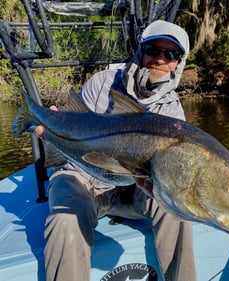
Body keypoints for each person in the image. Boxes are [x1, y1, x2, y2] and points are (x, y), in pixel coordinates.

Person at [41, 20, 196, 281]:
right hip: (85, 178)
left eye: (170, 54)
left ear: (179, 63)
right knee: (65, 221)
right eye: (153, 50)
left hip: (136, 189)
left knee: (178, 210)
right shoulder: (101, 83)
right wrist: (52, 134)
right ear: (140, 51)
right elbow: (72, 132)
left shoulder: (173, 111)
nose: (159, 59)